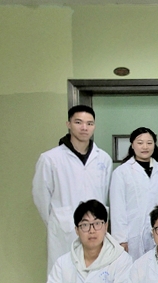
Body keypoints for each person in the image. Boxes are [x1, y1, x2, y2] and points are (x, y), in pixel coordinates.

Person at [33, 105, 112, 272]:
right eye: (78, 122)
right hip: (64, 230)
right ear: (68, 124)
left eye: (89, 123)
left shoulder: (103, 159)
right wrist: (58, 221)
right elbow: (41, 197)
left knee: (96, 274)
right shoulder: (50, 159)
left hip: (96, 229)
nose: (84, 128)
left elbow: (104, 193)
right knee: (64, 274)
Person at [110, 127, 158, 260]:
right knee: (132, 267)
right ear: (132, 145)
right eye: (140, 142)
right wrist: (121, 239)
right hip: (132, 233)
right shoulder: (122, 172)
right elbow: (117, 208)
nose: (145, 147)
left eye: (149, 143)